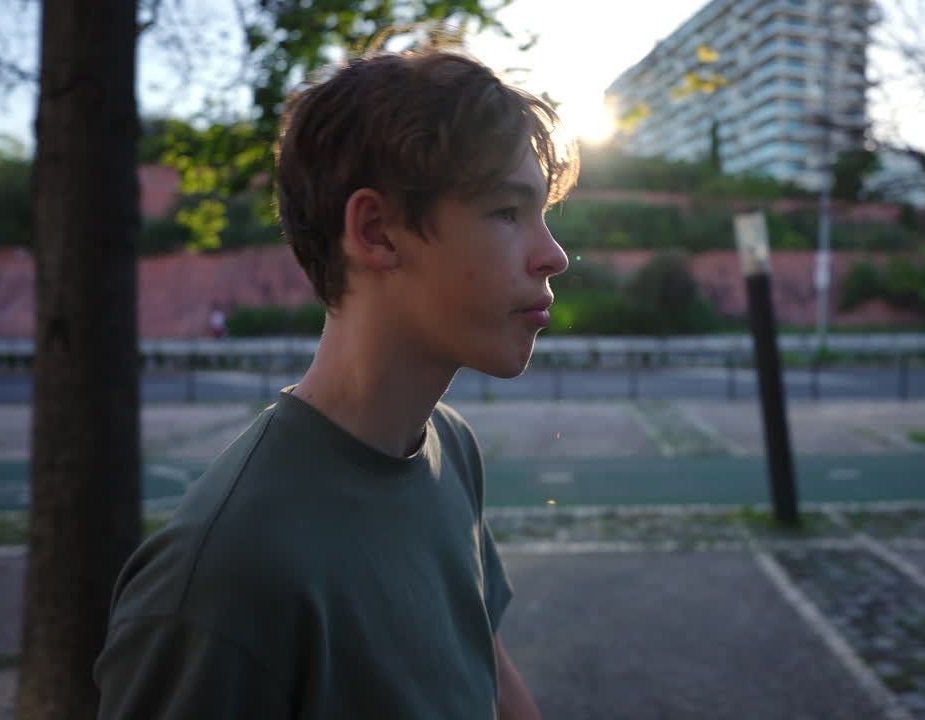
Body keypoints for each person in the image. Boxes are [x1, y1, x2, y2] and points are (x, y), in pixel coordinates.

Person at [94, 48, 577, 719]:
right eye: (506, 212)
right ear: (376, 232)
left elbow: (484, 669)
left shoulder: (449, 448)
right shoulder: (220, 579)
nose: (553, 253)